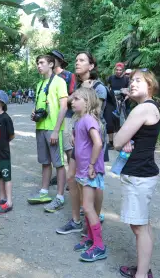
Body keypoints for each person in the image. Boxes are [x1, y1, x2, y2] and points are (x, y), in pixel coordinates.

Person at [113, 69, 160, 278]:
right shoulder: (147, 108)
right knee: (142, 224)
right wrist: (128, 142)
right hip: (143, 172)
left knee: (139, 227)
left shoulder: (142, 109)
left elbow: (115, 142)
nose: (132, 84)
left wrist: (124, 142)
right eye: (131, 81)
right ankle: (144, 269)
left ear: (150, 85)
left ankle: (141, 274)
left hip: (139, 175)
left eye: (138, 81)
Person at [56, 51, 107, 235]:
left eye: (81, 60)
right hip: (77, 137)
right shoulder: (77, 85)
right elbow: (70, 107)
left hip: (91, 140)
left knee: (94, 181)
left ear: (91, 66)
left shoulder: (99, 88)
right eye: (76, 59)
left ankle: (93, 220)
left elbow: (95, 114)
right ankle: (76, 219)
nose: (77, 63)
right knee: (72, 177)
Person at [69, 87, 107, 262]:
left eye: (77, 99)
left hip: (90, 171)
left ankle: (99, 245)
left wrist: (92, 165)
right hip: (83, 170)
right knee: (87, 206)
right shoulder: (80, 120)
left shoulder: (88, 120)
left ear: (87, 102)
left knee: (88, 207)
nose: (72, 101)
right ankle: (90, 238)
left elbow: (98, 143)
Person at [27, 54, 68, 212]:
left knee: (58, 163)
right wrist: (34, 114)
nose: (39, 65)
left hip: (53, 128)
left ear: (51, 64)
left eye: (42, 62)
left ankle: (59, 197)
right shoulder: (39, 84)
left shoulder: (59, 81)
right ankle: (44, 192)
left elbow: (63, 107)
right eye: (37, 63)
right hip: (40, 127)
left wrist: (56, 130)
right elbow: (42, 106)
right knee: (45, 161)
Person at [105, 62, 126, 146]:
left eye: (120, 70)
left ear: (123, 70)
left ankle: (120, 142)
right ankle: (111, 142)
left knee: (120, 123)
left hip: (122, 103)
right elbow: (108, 87)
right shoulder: (111, 78)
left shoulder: (126, 79)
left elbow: (128, 91)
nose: (118, 71)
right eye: (117, 70)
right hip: (111, 102)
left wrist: (124, 99)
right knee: (110, 122)